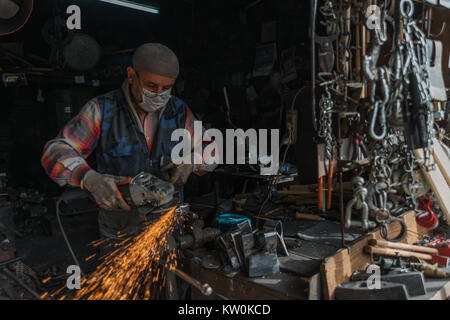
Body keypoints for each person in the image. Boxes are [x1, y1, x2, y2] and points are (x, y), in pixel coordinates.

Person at [41, 43, 216, 240]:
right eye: (151, 85)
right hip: (120, 228)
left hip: (167, 226)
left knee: (170, 269)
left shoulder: (179, 111)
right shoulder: (102, 110)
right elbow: (55, 151)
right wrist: (89, 178)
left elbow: (211, 147)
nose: (158, 94)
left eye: (166, 88)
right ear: (131, 75)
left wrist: (193, 161)